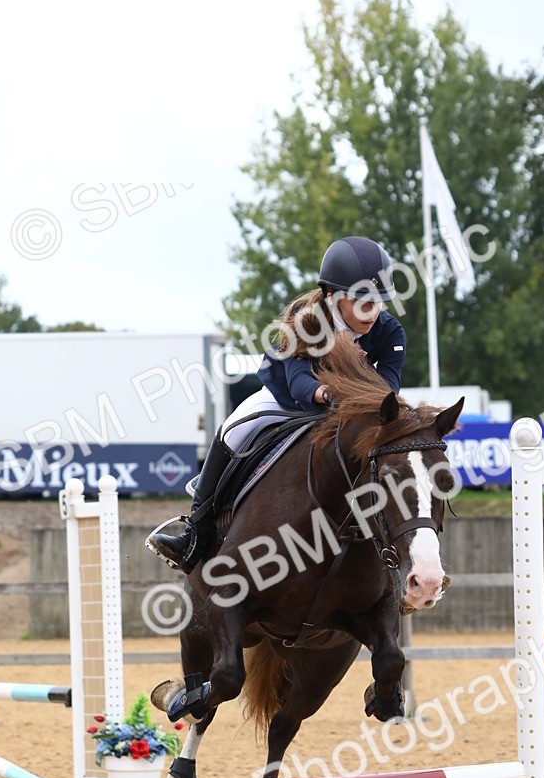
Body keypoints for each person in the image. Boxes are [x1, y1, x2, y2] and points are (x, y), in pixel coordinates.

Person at [146, 235, 407, 573]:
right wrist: (332, 395)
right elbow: (300, 384)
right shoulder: (307, 321)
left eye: (378, 302)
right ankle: (196, 529)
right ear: (333, 296)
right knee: (232, 430)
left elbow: (388, 388)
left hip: (351, 408)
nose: (372, 312)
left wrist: (355, 402)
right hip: (289, 395)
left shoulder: (390, 332)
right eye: (362, 302)